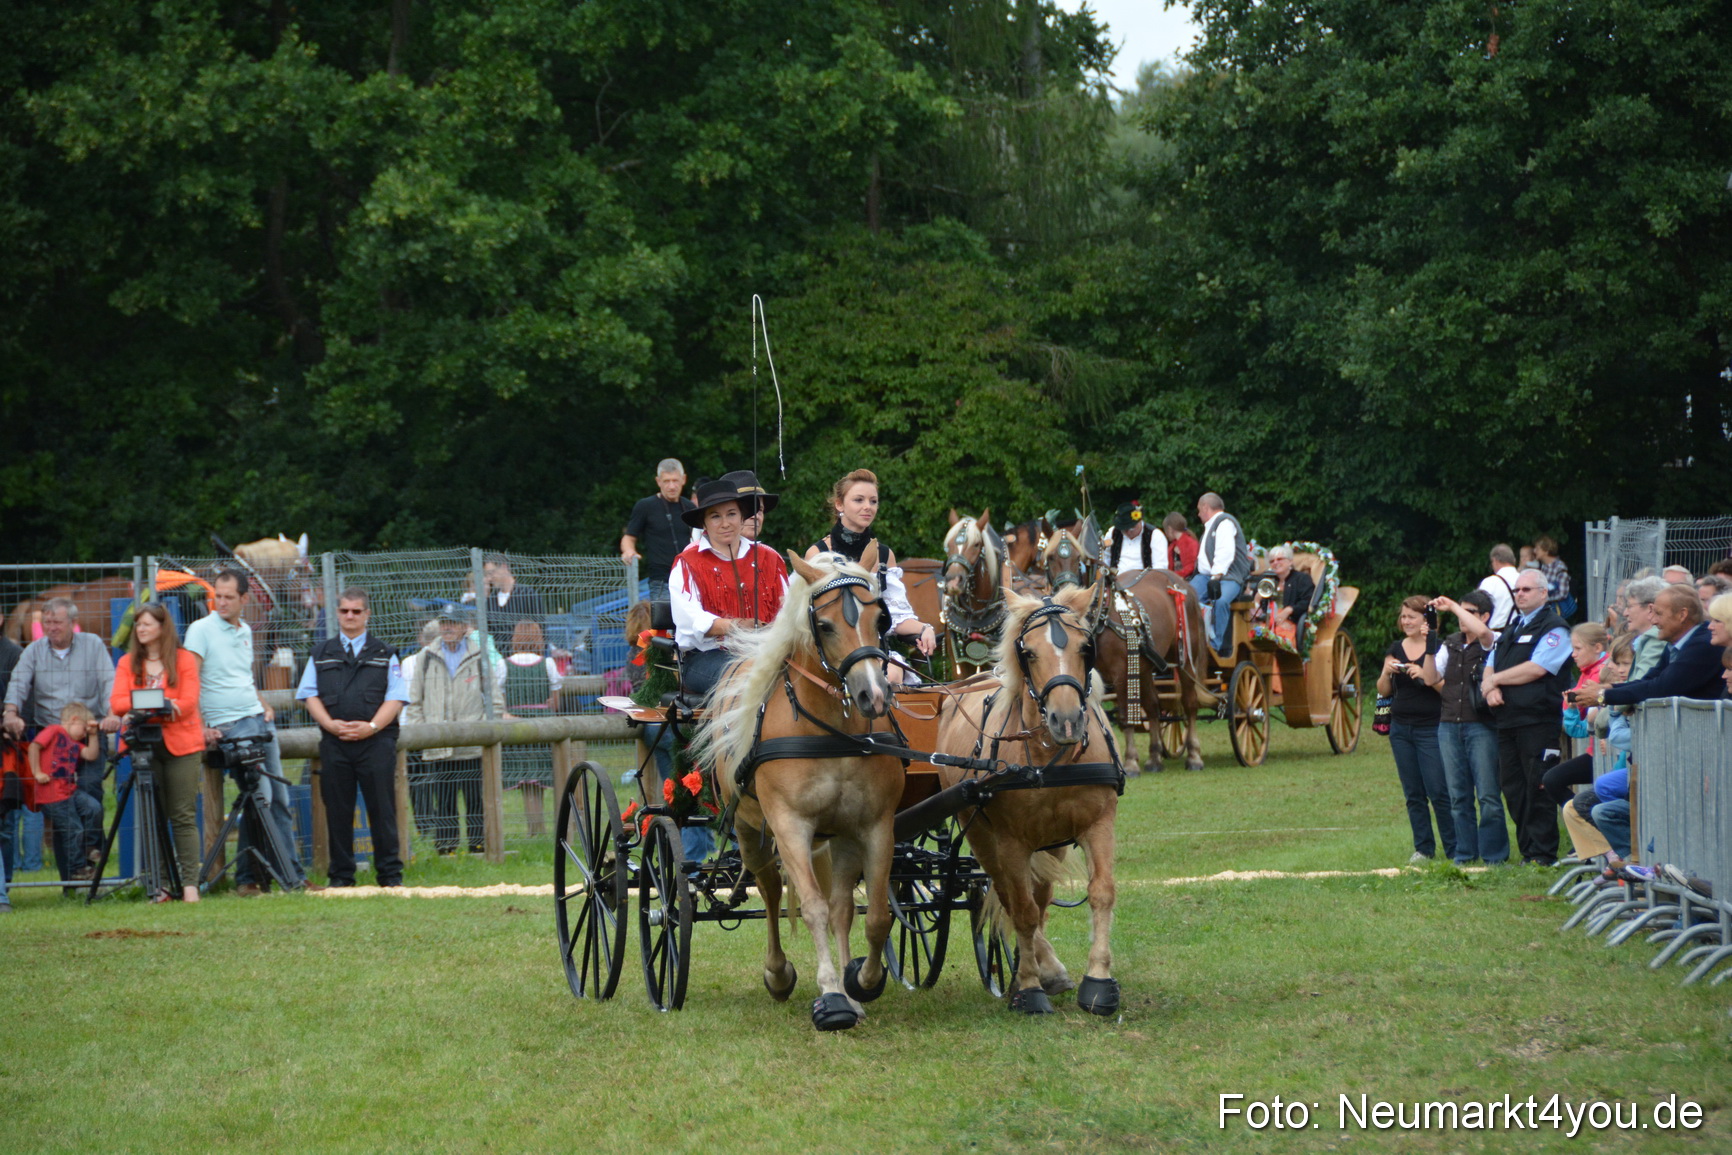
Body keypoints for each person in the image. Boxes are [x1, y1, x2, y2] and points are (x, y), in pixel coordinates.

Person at [185, 570, 313, 895]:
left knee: (278, 799)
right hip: (228, 723)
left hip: (257, 719)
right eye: (217, 595)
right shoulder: (200, 630)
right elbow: (190, 680)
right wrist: (200, 725)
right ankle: (288, 879)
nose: (221, 602)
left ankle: (253, 878)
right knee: (261, 798)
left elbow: (242, 676)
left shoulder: (245, 631)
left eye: (229, 596)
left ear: (245, 599)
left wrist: (263, 703)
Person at [296, 587, 407, 887]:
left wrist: (371, 727)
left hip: (377, 743)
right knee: (338, 810)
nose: (350, 616)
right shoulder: (320, 653)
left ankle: (390, 877)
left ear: (367, 614)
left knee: (382, 809)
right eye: (344, 610)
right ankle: (341, 878)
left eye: (356, 611)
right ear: (337, 612)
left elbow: (396, 698)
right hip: (335, 743)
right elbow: (308, 694)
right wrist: (330, 725)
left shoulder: (386, 653)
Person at [3, 597, 121, 873]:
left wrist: (113, 712)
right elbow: (19, 682)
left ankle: (92, 853)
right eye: (47, 622)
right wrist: (10, 712)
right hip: (52, 737)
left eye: (57, 622)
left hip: (89, 732)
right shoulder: (33, 651)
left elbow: (108, 680)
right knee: (59, 806)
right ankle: (70, 876)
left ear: (72, 623)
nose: (52, 627)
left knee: (91, 791)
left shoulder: (92, 645)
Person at [804, 468, 937, 681]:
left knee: (892, 674)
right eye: (859, 500)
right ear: (839, 505)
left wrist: (925, 629)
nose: (868, 507)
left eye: (873, 501)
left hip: (875, 653)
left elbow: (896, 615)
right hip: (832, 655)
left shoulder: (884, 555)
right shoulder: (818, 553)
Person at [110, 602, 204, 902]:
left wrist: (147, 704)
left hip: (182, 745)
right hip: (144, 746)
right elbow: (117, 702)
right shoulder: (127, 663)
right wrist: (162, 702)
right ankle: (161, 885)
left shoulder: (184, 659)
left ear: (162, 627)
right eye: (138, 625)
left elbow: (188, 701)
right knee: (154, 816)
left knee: (182, 815)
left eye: (147, 624)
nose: (140, 629)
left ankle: (190, 885)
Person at [668, 474, 790, 698]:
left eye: (732, 514)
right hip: (707, 657)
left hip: (767, 651)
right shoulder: (687, 562)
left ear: (743, 516)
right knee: (751, 676)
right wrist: (736, 626)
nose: (725, 523)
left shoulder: (770, 558)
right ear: (703, 523)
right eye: (715, 516)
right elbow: (690, 621)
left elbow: (788, 610)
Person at [1482, 571, 1570, 865]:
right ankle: (1527, 851)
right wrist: (1488, 686)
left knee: (1538, 786)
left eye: (1527, 589)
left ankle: (1543, 853)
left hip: (1538, 721)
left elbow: (1538, 668)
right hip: (1507, 720)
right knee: (1513, 788)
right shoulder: (1513, 627)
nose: (1519, 594)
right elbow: (1491, 661)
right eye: (1517, 590)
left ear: (1543, 593)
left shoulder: (1555, 628)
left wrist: (1496, 682)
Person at [405, 606, 503, 855]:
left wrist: (483, 730)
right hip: (438, 744)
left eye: (453, 623)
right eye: (444, 623)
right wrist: (422, 733)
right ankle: (446, 848)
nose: (447, 628)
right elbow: (414, 701)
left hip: (472, 745)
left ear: (463, 627)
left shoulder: (479, 655)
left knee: (475, 799)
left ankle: (477, 846)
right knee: (444, 799)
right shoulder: (426, 656)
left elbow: (495, 699)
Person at [1423, 591, 1508, 866]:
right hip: (1448, 724)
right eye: (1462, 611)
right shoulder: (1450, 644)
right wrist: (1429, 643)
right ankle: (1465, 853)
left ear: (1484, 616)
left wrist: (1452, 607)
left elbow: (1482, 633)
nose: (1462, 617)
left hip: (1480, 725)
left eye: (1470, 612)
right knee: (1458, 795)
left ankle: (1494, 855)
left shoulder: (1492, 640)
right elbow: (1430, 678)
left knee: (1487, 794)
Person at [1377, 596, 1453, 863]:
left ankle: (1454, 848)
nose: (1405, 621)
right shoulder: (1396, 647)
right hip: (1401, 729)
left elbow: (1450, 691)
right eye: (1403, 616)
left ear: (1426, 620)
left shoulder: (1440, 648)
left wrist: (1424, 675)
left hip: (1431, 728)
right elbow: (1383, 691)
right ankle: (1424, 849)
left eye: (1411, 616)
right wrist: (1387, 672)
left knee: (1439, 790)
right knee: (1413, 793)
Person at [1580, 586, 1726, 708]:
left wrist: (1601, 696)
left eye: (1659, 614)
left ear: (1682, 615)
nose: (1653, 620)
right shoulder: (1676, 643)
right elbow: (1649, 679)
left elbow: (1661, 688)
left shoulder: (1704, 645)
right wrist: (1605, 689)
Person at [26, 702, 100, 892]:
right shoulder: (54, 730)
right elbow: (34, 747)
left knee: (94, 808)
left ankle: (88, 847)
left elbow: (91, 755)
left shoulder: (75, 743)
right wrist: (37, 772)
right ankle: (77, 869)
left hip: (69, 791)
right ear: (74, 720)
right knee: (72, 828)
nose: (84, 734)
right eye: (84, 729)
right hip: (51, 794)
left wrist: (92, 735)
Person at [1537, 624, 1609, 809]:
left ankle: (1587, 821)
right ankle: (1585, 821)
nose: (1573, 654)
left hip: (1605, 751)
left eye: (1578, 648)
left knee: (1553, 780)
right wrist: (1571, 709)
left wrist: (1572, 707)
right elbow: (1577, 728)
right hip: (1596, 751)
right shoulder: (1586, 672)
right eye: (1572, 649)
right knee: (1552, 780)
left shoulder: (1603, 671)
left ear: (1598, 648)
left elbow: (1581, 721)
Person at [503, 620, 560, 838]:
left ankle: (534, 830)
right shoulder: (548, 664)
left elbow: (501, 700)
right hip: (543, 725)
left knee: (526, 780)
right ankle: (538, 829)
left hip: (516, 725)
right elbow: (554, 702)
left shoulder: (503, 665)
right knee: (539, 780)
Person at [621, 458, 697, 599]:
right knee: (664, 621)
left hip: (690, 580)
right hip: (661, 581)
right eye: (666, 481)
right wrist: (629, 551)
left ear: (683, 479)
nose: (672, 486)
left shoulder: (690, 508)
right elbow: (629, 537)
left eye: (675, 480)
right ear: (658, 481)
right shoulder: (645, 506)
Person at [1190, 492, 1251, 654]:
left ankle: (1215, 645)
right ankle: (1190, 639)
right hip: (1205, 576)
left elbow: (1225, 552)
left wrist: (1216, 577)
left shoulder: (1224, 522)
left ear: (1205, 507)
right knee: (1185, 598)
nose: (1198, 514)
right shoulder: (1211, 525)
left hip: (1228, 576)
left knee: (1221, 600)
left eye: (1199, 509)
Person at [481, 554, 544, 653]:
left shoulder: (527, 594)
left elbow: (540, 628)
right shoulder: (490, 600)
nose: (489, 578)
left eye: (491, 573)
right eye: (487, 575)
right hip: (499, 659)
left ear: (504, 567)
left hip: (525, 656)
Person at [1102, 501, 1167, 587]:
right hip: (1116, 583)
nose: (1128, 532)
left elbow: (1160, 568)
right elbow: (1105, 557)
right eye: (1124, 529)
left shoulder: (1155, 536)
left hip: (1144, 585)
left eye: (1132, 528)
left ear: (1140, 521)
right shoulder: (1113, 533)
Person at [1263, 545, 1315, 650]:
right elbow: (1259, 606)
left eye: (1280, 559)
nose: (1275, 563)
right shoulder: (1267, 580)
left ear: (1290, 561)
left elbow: (1307, 601)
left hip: (1291, 620)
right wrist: (1257, 599)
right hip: (1267, 621)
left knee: (1281, 636)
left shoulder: (1302, 579)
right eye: (1272, 561)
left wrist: (1289, 610)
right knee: (1255, 635)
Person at [1622, 576, 1668, 680]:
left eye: (1629, 606)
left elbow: (1639, 684)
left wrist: (1602, 693)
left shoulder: (1655, 638)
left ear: (1650, 608)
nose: (1625, 613)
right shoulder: (1653, 636)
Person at [1477, 544, 1521, 631]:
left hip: (1496, 635)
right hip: (1520, 633)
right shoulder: (1526, 579)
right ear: (1514, 560)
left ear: (1495, 560)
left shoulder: (1490, 582)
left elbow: (1478, 611)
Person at [1534, 536, 1573, 619]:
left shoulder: (1560, 567)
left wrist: (1544, 599)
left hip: (1558, 612)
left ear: (1546, 551)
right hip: (1547, 610)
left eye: (1537, 549)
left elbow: (1563, 594)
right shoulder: (1543, 566)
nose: (1534, 551)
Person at [1163, 512, 1198, 579]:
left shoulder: (1190, 543)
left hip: (1187, 580)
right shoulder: (1174, 545)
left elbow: (1191, 566)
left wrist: (1173, 575)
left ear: (1170, 529)